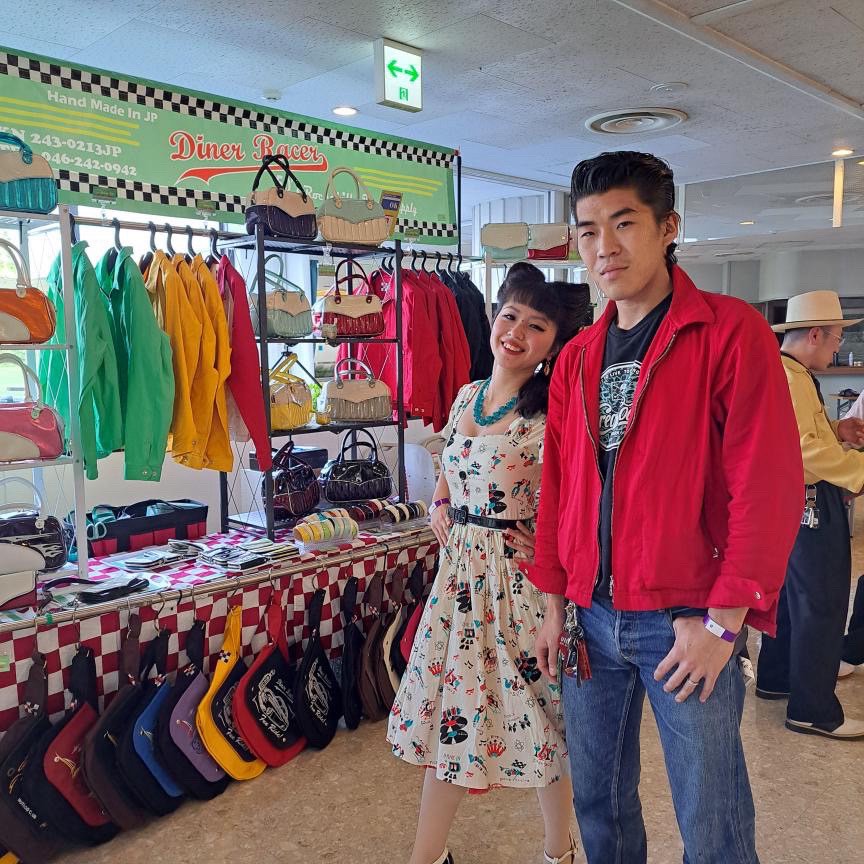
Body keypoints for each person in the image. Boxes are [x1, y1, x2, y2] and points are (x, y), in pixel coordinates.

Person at [529, 151, 803, 864]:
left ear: (668, 227)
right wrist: (554, 602)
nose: (604, 247)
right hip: (589, 616)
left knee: (710, 817)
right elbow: (559, 486)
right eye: (588, 231)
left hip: (684, 618)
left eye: (624, 224)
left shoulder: (728, 332)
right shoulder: (577, 356)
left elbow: (767, 484)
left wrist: (724, 621)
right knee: (599, 804)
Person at [387, 264, 592, 864]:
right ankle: (428, 857)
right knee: (451, 716)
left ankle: (559, 849)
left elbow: (577, 498)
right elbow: (451, 466)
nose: (516, 333)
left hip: (518, 584)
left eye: (537, 326)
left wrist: (549, 558)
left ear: (553, 343)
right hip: (459, 580)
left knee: (540, 719)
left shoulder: (550, 413)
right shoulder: (466, 396)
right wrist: (440, 502)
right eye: (510, 316)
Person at [755, 291, 864, 738]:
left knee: (790, 598)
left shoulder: (789, 372)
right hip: (811, 500)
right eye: (836, 339)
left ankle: (776, 678)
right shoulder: (792, 378)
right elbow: (802, 451)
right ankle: (813, 708)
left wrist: (836, 430)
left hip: (791, 504)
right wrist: (858, 470)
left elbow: (801, 436)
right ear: (815, 334)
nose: (837, 348)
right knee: (821, 602)